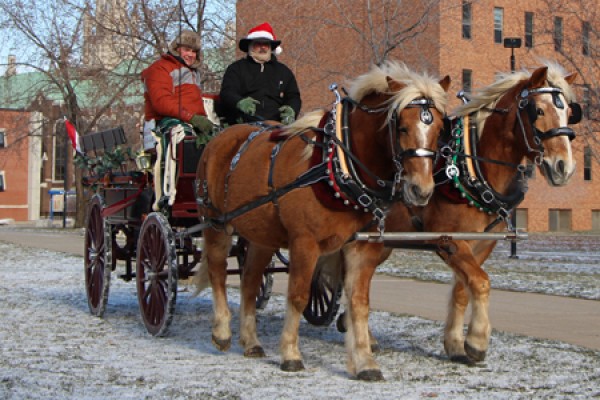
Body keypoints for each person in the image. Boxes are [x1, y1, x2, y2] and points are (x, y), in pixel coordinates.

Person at [141, 29, 215, 148]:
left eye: (194, 51)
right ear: (177, 49)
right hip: (164, 125)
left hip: (193, 122)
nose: (191, 55)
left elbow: (197, 99)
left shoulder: (192, 72)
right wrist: (192, 118)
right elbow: (162, 102)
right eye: (186, 50)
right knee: (185, 143)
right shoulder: (159, 69)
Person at [219, 22, 301, 125]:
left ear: (271, 47)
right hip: (243, 124)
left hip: (276, 125)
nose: (262, 47)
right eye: (258, 44)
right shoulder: (236, 69)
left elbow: (293, 96)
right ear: (250, 46)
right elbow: (227, 93)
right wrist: (239, 102)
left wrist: (291, 110)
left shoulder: (284, 71)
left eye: (266, 44)